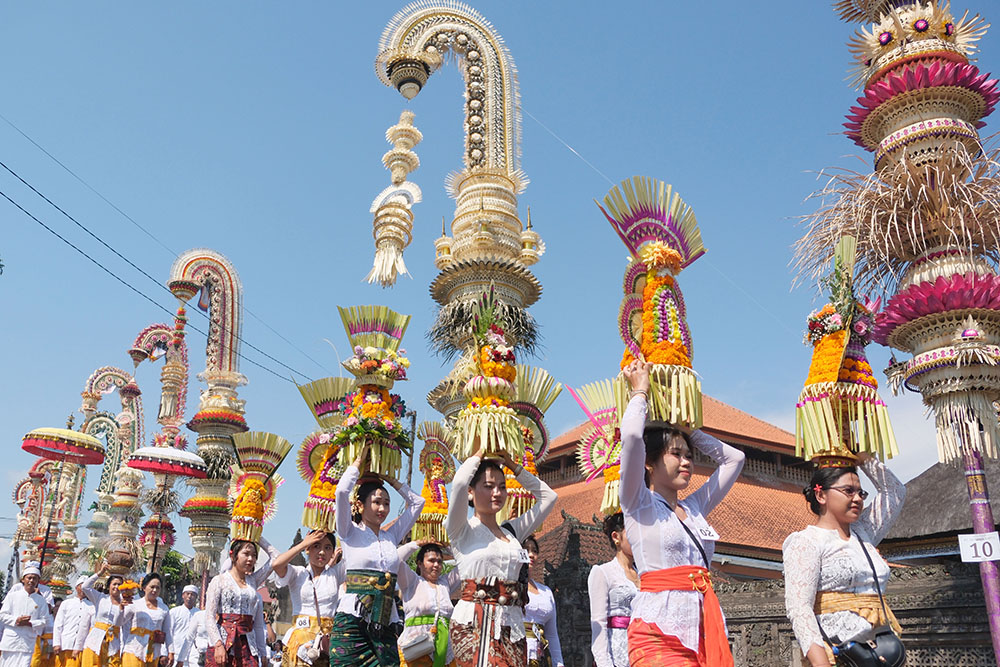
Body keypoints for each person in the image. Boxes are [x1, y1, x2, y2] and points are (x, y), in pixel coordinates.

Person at [619, 359, 746, 667]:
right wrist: (640, 392)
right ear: (648, 462)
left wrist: (688, 431)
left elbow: (735, 460)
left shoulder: (695, 507)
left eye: (689, 455)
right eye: (675, 454)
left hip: (703, 626)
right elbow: (632, 438)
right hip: (656, 629)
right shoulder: (638, 503)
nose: (686, 461)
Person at [782, 454, 906, 667]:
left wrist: (864, 458)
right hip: (838, 655)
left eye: (860, 492)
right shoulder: (806, 542)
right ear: (821, 495)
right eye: (848, 491)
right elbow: (800, 609)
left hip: (880, 652)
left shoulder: (864, 532)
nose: (857, 498)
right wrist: (821, 664)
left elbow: (895, 493)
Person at [446, 444, 557, 667]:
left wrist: (512, 464)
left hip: (512, 626)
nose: (497, 493)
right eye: (488, 486)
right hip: (473, 625)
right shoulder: (461, 530)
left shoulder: (512, 532)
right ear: (471, 492)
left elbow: (549, 497)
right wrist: (479, 453)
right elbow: (458, 483)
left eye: (502, 487)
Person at [328, 443, 424, 666]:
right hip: (353, 619)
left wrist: (390, 479)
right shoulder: (349, 532)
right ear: (360, 505)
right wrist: (358, 463)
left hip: (385, 620)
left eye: (387, 504)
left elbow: (418, 502)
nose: (382, 509)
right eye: (377, 502)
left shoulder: (392, 535)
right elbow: (341, 492)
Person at [268, 530, 344, 666]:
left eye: (327, 548)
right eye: (316, 546)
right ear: (307, 549)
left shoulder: (335, 573)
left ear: (333, 552)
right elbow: (277, 564)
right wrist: (303, 544)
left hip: (326, 642)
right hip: (300, 643)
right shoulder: (298, 573)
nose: (322, 552)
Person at [396, 539, 461, 667]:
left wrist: (448, 547)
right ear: (420, 563)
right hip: (416, 647)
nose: (436, 565)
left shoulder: (445, 583)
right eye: (431, 560)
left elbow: (466, 563)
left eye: (439, 561)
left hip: (444, 648)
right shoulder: (412, 581)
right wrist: (417, 544)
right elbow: (394, 559)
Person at [205, 540, 268, 666]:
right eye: (246, 554)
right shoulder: (219, 581)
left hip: (248, 646)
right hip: (223, 644)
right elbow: (209, 617)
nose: (250, 559)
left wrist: (257, 537)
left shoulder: (253, 582)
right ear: (233, 555)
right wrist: (218, 644)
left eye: (254, 555)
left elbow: (258, 625)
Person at [588, 512, 638, 667]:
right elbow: (599, 622)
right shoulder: (603, 572)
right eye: (633, 532)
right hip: (617, 652)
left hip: (644, 649)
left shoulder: (645, 573)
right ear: (616, 537)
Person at [522, 536, 563, 667]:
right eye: (526, 550)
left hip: (540, 656)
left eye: (534, 551)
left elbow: (552, 634)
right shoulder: (510, 588)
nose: (531, 555)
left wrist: (558, 663)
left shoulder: (546, 592)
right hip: (518, 652)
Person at [0, 565, 51, 667]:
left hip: (28, 642)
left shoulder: (41, 600)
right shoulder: (12, 596)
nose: (31, 581)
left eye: (34, 578)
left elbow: (45, 620)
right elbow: (2, 615)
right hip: (11, 641)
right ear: (23, 580)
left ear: (38, 581)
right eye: (29, 578)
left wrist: (30, 623)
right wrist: (17, 620)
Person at [78, 563, 126, 667]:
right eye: (114, 584)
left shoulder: (125, 603)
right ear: (109, 586)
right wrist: (100, 572)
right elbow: (85, 587)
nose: (117, 587)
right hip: (95, 639)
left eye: (119, 585)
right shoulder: (100, 598)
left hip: (113, 641)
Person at [121, 573, 173, 667]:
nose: (154, 590)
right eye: (152, 587)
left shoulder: (164, 609)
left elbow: (167, 631)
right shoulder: (135, 604)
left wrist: (171, 651)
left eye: (158, 588)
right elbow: (120, 622)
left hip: (153, 651)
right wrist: (121, 608)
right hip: (134, 649)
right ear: (144, 587)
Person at [52, 576, 93, 667]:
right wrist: (56, 643)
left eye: (87, 587)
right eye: (81, 586)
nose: (84, 589)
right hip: (65, 644)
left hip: (82, 646)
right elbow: (58, 624)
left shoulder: (92, 606)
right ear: (76, 587)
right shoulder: (66, 603)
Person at [168, 585, 198, 667]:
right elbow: (168, 632)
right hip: (175, 654)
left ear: (196, 597)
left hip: (193, 657)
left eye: (192, 594)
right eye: (187, 594)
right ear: (183, 595)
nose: (189, 596)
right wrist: (168, 652)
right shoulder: (174, 612)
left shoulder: (199, 613)